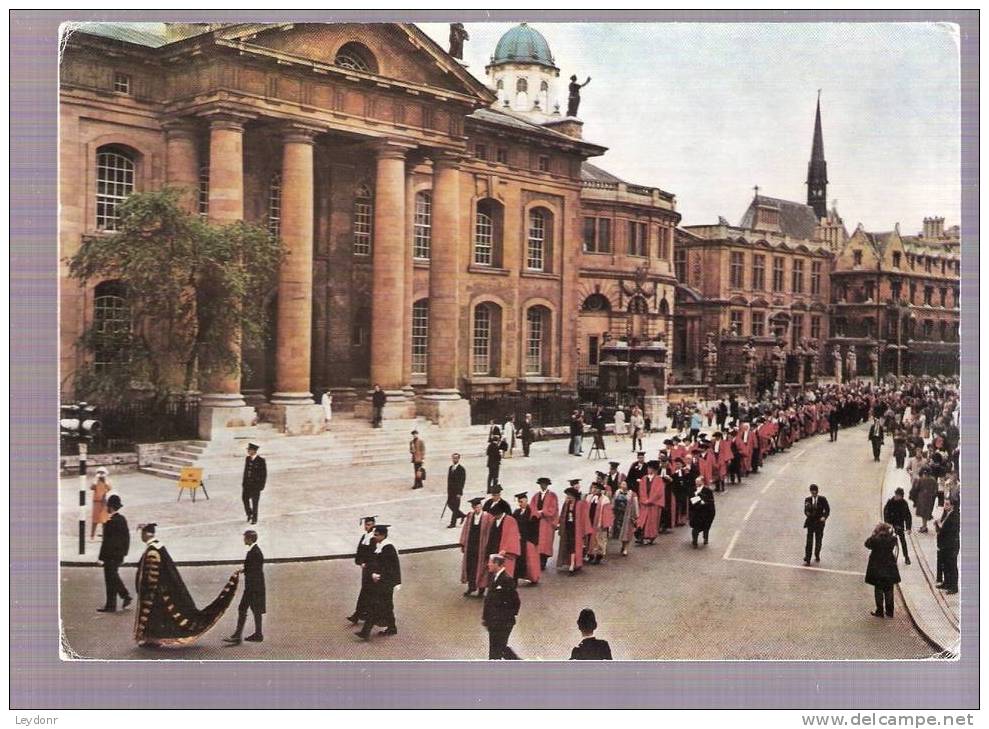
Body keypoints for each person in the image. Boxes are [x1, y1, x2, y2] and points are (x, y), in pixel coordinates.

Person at [134, 523, 239, 648]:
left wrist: (148, 592)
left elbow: (152, 576)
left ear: (145, 534)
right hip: (163, 590)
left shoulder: (152, 551)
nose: (141, 537)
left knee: (155, 617)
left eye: (141, 534)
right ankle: (151, 639)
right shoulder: (159, 546)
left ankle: (152, 640)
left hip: (157, 593)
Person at [356, 524, 401, 639]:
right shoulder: (381, 545)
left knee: (375, 605)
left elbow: (390, 567)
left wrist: (378, 575)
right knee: (387, 605)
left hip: (385, 582)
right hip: (383, 581)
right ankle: (392, 627)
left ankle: (365, 632)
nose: (374, 536)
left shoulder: (388, 547)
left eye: (376, 535)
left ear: (383, 535)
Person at [223, 530, 266, 644]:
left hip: (252, 587)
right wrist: (243, 570)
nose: (244, 540)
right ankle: (258, 634)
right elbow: (253, 568)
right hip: (256, 586)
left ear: (250, 539)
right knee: (255, 610)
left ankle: (238, 636)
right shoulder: (255, 551)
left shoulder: (253, 553)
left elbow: (254, 571)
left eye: (245, 538)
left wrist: (250, 588)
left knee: (243, 608)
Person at [482, 554, 521, 660]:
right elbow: (489, 600)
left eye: (490, 562)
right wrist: (486, 618)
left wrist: (505, 618)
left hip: (502, 623)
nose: (488, 564)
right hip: (494, 622)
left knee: (496, 651)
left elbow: (515, 601)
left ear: (497, 564)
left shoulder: (506, 580)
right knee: (498, 649)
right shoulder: (495, 577)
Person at [96, 494, 131, 613]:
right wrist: (124, 553)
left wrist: (101, 557)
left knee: (110, 578)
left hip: (110, 555)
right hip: (119, 555)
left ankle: (120, 599)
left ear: (110, 507)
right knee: (113, 577)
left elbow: (106, 542)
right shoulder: (122, 519)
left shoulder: (109, 521)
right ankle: (117, 601)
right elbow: (127, 537)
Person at [477, 499, 521, 591]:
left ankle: (504, 590)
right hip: (493, 548)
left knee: (504, 572)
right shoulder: (493, 520)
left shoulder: (510, 520)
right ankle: (491, 589)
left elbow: (513, 536)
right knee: (491, 571)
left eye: (496, 515)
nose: (494, 516)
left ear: (500, 513)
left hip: (504, 551)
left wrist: (505, 549)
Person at [864, 523, 901, 618]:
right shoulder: (892, 539)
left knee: (878, 589)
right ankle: (890, 611)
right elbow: (895, 542)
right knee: (889, 589)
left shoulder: (875, 540)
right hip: (889, 566)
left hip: (877, 566)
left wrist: (873, 534)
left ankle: (879, 611)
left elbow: (867, 544)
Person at [556, 483, 592, 574]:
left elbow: (584, 518)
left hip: (576, 529)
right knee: (568, 545)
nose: (568, 497)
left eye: (569, 496)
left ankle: (572, 564)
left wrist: (584, 531)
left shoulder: (580, 504)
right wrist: (559, 524)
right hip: (568, 527)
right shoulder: (567, 504)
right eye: (567, 496)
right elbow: (563, 515)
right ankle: (571, 563)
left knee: (574, 546)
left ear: (573, 496)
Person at [348, 516, 377, 624]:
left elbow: (373, 554)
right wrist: (360, 562)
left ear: (373, 524)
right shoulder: (365, 536)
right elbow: (360, 551)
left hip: (371, 568)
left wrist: (366, 563)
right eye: (366, 524)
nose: (367, 526)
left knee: (366, 591)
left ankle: (359, 614)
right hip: (365, 569)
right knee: (365, 591)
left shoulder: (374, 538)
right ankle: (360, 614)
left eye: (369, 524)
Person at [459, 497, 486, 596]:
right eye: (475, 507)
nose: (476, 509)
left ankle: (481, 589)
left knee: (481, 567)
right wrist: (463, 543)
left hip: (481, 546)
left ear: (481, 506)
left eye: (478, 506)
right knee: (471, 567)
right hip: (471, 546)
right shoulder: (470, 516)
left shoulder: (487, 517)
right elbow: (465, 530)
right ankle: (471, 587)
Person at [512, 492, 541, 585]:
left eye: (521, 501)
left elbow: (536, 528)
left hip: (528, 539)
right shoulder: (516, 512)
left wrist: (533, 541)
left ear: (526, 500)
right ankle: (515, 578)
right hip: (519, 539)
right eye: (519, 502)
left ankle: (533, 578)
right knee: (518, 560)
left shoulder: (532, 513)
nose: (520, 504)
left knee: (530, 560)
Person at [530, 477, 559, 569]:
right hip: (537, 522)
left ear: (547, 485)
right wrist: (536, 513)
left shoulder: (552, 495)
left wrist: (542, 512)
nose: (543, 486)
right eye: (541, 484)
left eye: (544, 484)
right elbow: (532, 507)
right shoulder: (536, 496)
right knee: (537, 542)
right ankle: (538, 560)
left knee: (545, 543)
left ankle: (543, 561)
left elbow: (553, 508)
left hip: (547, 522)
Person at [636, 461, 665, 545]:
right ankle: (641, 536)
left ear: (654, 470)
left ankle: (651, 537)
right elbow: (641, 490)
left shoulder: (659, 479)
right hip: (645, 503)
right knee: (643, 520)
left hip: (654, 504)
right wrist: (644, 500)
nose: (648, 469)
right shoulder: (644, 478)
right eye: (648, 468)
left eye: (650, 468)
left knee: (652, 521)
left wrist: (650, 500)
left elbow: (658, 493)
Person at [935, 498, 959, 595]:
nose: (945, 506)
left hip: (951, 546)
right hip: (944, 545)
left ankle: (954, 587)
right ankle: (946, 583)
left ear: (952, 506)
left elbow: (950, 531)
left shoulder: (955, 516)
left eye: (947, 504)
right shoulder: (946, 514)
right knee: (945, 565)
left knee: (951, 566)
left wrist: (940, 526)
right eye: (945, 504)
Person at [610, 476, 639, 556]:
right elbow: (613, 502)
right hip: (619, 515)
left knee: (627, 532)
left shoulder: (632, 494)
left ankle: (626, 548)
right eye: (621, 484)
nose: (622, 485)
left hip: (628, 515)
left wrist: (635, 516)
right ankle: (623, 545)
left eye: (624, 484)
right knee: (621, 533)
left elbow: (635, 505)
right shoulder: (617, 492)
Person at [883, 488, 912, 565]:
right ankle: (887, 557)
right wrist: (887, 523)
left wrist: (908, 528)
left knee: (903, 541)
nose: (896, 497)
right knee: (888, 541)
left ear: (901, 496)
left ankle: (906, 557)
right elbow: (886, 512)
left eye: (898, 496)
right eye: (896, 495)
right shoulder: (890, 502)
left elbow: (908, 516)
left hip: (899, 524)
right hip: (891, 524)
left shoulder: (904, 504)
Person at [586, 481, 613, 564]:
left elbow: (607, 513)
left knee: (599, 539)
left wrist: (605, 524)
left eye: (596, 488)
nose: (594, 489)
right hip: (590, 521)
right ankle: (590, 555)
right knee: (590, 539)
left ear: (600, 490)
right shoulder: (589, 497)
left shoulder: (605, 499)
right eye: (593, 488)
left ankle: (598, 556)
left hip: (599, 523)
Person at [803, 484, 830, 565]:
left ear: (817, 491)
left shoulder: (823, 499)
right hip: (811, 523)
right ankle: (808, 558)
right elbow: (805, 510)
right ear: (810, 491)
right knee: (809, 541)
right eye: (812, 491)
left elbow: (827, 510)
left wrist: (824, 517)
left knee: (818, 540)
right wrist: (808, 514)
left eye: (815, 491)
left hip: (819, 524)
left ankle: (817, 554)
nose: (814, 492)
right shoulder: (807, 500)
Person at [241, 443, 266, 525]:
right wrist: (243, 482)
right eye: (248, 450)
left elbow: (264, 474)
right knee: (244, 499)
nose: (248, 451)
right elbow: (246, 471)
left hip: (255, 486)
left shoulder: (261, 461)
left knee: (255, 502)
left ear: (254, 451)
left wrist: (261, 486)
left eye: (249, 450)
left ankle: (254, 518)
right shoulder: (247, 459)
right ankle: (249, 513)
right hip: (247, 485)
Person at [689, 477, 716, 548]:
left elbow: (711, 501)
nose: (696, 483)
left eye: (698, 481)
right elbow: (691, 500)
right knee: (695, 528)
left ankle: (705, 538)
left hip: (706, 513)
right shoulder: (693, 490)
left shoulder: (708, 490)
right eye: (696, 481)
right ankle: (695, 542)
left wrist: (703, 502)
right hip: (696, 512)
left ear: (702, 482)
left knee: (706, 527)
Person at [911, 466, 938, 532]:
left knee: (923, 513)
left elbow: (917, 488)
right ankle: (924, 526)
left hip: (922, 497)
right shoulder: (933, 479)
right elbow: (936, 489)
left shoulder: (921, 479)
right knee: (926, 512)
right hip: (930, 498)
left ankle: (924, 526)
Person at [445, 453, 467, 528]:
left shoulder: (461, 469)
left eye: (456, 458)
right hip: (451, 491)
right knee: (449, 504)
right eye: (453, 458)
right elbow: (449, 480)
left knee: (455, 507)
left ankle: (453, 523)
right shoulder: (450, 468)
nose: (454, 459)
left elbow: (462, 482)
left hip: (457, 492)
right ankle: (462, 515)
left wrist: (459, 492)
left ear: (458, 459)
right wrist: (448, 491)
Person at [89, 467, 112, 540]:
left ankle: (105, 535)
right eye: (99, 473)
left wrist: (105, 480)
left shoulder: (106, 481)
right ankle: (92, 536)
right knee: (95, 520)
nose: (101, 474)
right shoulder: (96, 481)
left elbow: (109, 488)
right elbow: (92, 487)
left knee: (104, 520)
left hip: (104, 502)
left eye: (102, 473)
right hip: (96, 502)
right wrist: (96, 479)